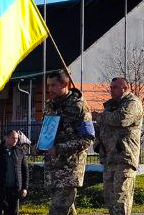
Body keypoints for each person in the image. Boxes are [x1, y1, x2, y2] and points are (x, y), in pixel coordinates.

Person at [42, 72, 96, 215]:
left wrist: (59, 148)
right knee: (67, 209)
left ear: (64, 85)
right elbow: (47, 133)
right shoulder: (50, 106)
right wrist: (40, 146)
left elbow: (88, 138)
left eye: (53, 85)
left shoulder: (79, 106)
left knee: (57, 209)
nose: (50, 89)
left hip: (69, 169)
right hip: (53, 168)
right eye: (48, 85)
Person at [96, 77, 144, 215]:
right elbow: (102, 128)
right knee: (109, 199)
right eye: (111, 87)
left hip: (124, 158)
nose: (111, 90)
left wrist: (100, 117)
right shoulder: (111, 105)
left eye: (115, 87)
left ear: (124, 88)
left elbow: (121, 119)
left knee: (121, 200)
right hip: (109, 158)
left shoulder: (133, 103)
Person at [0, 130, 31, 215]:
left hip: (14, 189)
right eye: (13, 138)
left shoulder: (20, 151)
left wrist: (25, 187)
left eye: (17, 138)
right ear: (6, 138)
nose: (15, 140)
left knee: (13, 212)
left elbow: (25, 171)